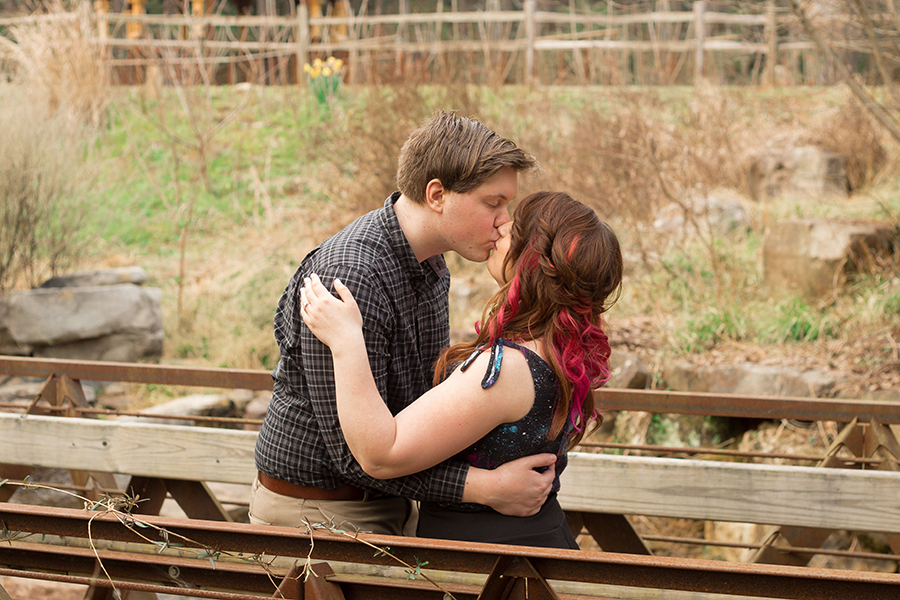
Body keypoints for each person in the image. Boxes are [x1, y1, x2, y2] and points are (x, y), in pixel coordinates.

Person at [251, 111, 557, 537]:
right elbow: (353, 454)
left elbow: (419, 403)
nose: (505, 221)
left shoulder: (432, 265)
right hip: (316, 516)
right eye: (494, 203)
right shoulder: (350, 276)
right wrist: (486, 487)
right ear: (437, 194)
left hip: (389, 499)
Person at [301, 191, 624, 548]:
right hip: (529, 542)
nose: (502, 226)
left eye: (517, 225)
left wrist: (347, 343)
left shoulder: (505, 369)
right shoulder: (561, 351)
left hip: (490, 562)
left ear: (534, 262)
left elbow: (381, 455)